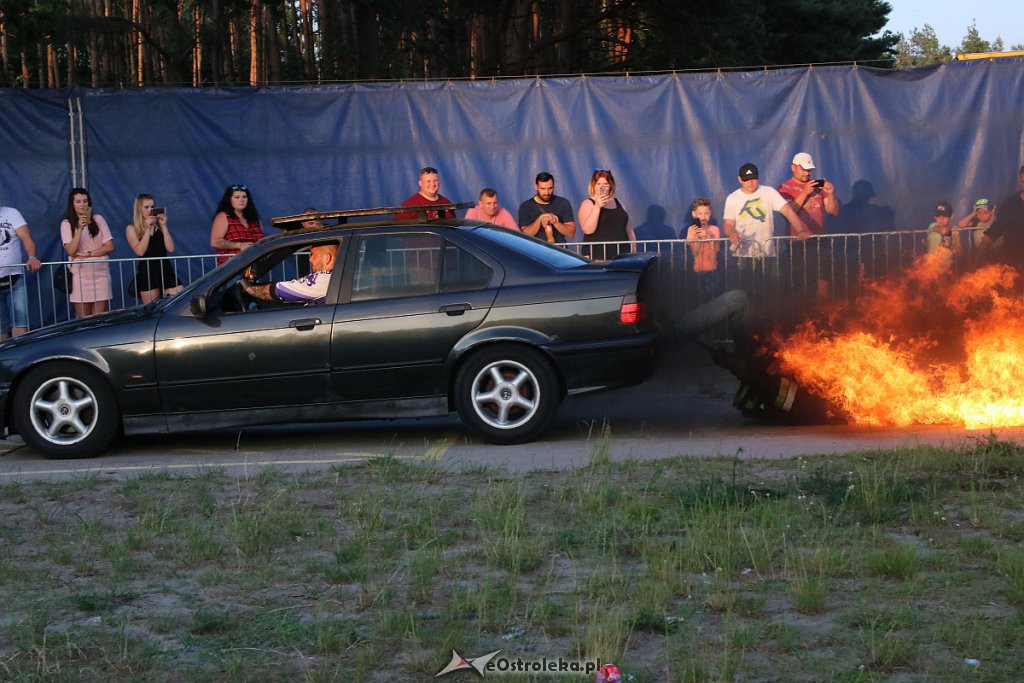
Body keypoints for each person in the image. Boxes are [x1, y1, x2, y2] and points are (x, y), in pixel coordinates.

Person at [723, 163, 807, 289]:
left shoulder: (769, 192)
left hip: (767, 252)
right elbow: (728, 224)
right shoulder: (732, 198)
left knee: (769, 291)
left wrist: (801, 230)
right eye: (746, 179)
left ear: (759, 177)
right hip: (743, 254)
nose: (750, 182)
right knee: (745, 292)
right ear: (740, 179)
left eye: (754, 178)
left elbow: (788, 211)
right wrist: (731, 233)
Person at [778, 152, 839, 301]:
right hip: (797, 243)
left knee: (824, 279)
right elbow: (787, 213)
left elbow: (833, 211)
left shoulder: (818, 187)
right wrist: (805, 192)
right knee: (800, 282)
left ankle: (822, 312)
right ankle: (801, 314)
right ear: (793, 167)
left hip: (819, 241)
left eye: (809, 170)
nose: (807, 173)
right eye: (804, 169)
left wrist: (830, 194)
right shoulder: (785, 188)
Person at [60, 187, 114, 318]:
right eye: (78, 202)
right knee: (84, 320)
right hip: (80, 275)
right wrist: (79, 229)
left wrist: (89, 254)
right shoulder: (66, 224)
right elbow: (71, 251)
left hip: (100, 272)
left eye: (85, 201)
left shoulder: (98, 219)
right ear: (72, 204)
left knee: (99, 319)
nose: (82, 204)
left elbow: (110, 246)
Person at [126, 194, 183, 303]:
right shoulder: (131, 228)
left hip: (165, 268)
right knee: (153, 309)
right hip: (148, 271)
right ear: (139, 209)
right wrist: (148, 229)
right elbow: (140, 251)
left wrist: (164, 226)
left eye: (152, 207)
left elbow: (171, 249)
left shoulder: (159, 226)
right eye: (146, 207)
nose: (150, 210)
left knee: (177, 302)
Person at [241, 243, 338, 304]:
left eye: (312, 255)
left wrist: (247, 288)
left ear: (327, 258)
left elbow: (274, 291)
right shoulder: (337, 277)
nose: (310, 259)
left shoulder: (324, 280)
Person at [0, 204, 42, 338]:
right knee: (0, 329)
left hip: (15, 277)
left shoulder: (12, 213)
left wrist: (32, 256)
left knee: (20, 326)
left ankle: (17, 357)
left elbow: (26, 237)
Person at [578, 169, 635, 260]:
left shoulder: (619, 202)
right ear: (594, 186)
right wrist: (597, 207)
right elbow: (588, 230)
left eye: (605, 184)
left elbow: (629, 230)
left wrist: (633, 248)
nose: (602, 187)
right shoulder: (588, 203)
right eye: (599, 184)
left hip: (622, 254)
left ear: (610, 186)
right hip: (598, 255)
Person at [977, 165, 1024, 271]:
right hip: (1012, 268)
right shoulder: (1010, 205)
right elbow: (993, 233)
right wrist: (976, 259)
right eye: (1023, 182)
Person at [211, 184, 263, 265]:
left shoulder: (255, 219)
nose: (241, 200)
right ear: (229, 199)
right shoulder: (223, 216)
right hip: (232, 267)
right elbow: (215, 242)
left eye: (244, 197)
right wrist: (240, 245)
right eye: (237, 197)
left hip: (254, 265)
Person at [518, 172, 576, 244]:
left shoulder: (563, 203)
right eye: (543, 189)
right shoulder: (526, 207)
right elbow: (525, 236)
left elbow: (571, 233)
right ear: (536, 187)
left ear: (554, 186)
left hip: (558, 251)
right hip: (535, 252)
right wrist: (539, 219)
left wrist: (555, 222)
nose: (547, 192)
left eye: (550, 188)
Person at [686, 197, 721, 301]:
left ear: (710, 214)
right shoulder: (691, 230)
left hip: (712, 271)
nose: (703, 217)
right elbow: (694, 252)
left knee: (712, 298)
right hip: (696, 271)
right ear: (694, 214)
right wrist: (697, 237)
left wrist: (708, 236)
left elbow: (717, 249)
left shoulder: (715, 229)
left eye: (706, 213)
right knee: (697, 299)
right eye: (700, 214)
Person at [926, 201, 962, 274]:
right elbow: (943, 230)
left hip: (946, 271)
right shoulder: (933, 226)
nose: (941, 219)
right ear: (935, 217)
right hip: (932, 269)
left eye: (945, 216)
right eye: (939, 216)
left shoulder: (952, 232)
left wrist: (957, 239)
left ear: (951, 216)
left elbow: (960, 253)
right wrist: (952, 229)